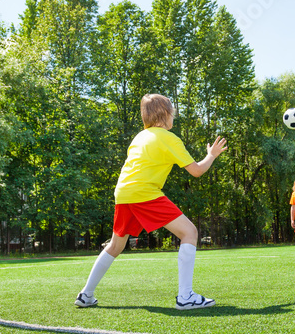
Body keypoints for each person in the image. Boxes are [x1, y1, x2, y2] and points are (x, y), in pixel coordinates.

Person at [74, 93, 227, 310]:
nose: (174, 114)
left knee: (115, 245)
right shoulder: (169, 138)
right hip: (144, 193)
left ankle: (85, 294)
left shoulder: (139, 136)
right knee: (190, 233)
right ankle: (186, 297)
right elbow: (197, 171)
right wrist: (211, 155)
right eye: (172, 110)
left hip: (123, 193)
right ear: (165, 114)